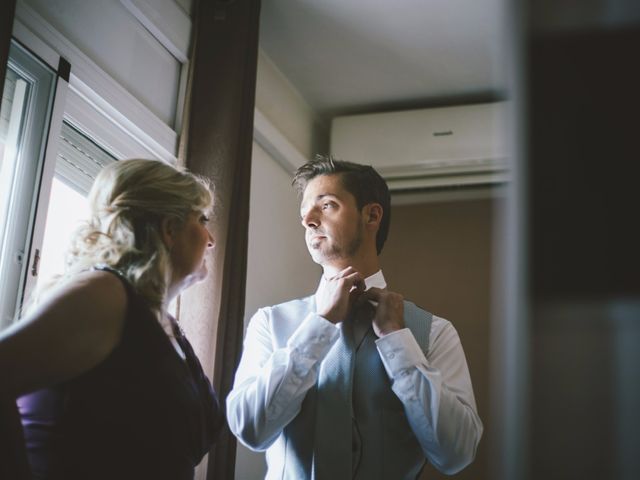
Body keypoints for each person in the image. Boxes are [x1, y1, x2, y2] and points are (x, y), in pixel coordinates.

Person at [227, 156, 483, 479]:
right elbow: (250, 429)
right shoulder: (270, 323)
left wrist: (398, 342)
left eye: (327, 205)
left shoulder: (435, 333)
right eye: (305, 210)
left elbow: (456, 454)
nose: (308, 219)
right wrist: (319, 327)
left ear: (371, 215)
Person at [0, 159, 223, 479]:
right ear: (169, 229)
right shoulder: (104, 294)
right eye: (201, 219)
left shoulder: (169, 327)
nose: (211, 238)